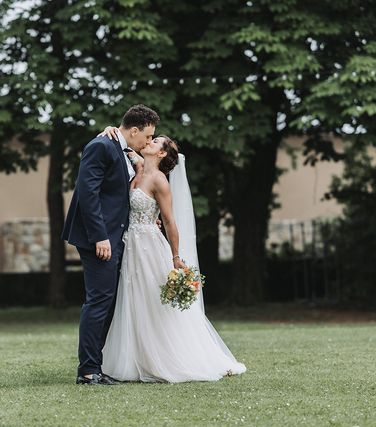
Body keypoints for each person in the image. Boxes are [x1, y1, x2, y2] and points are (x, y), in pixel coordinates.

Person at [98, 128, 247, 383]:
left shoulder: (159, 180)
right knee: (134, 300)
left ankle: (164, 358)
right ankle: (136, 359)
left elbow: (169, 221)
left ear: (163, 152)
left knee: (153, 302)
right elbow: (125, 142)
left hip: (149, 246)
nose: (149, 141)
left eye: (155, 141)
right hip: (131, 244)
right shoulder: (138, 168)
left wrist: (176, 257)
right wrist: (110, 130)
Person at [62, 104, 160, 385]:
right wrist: (100, 236)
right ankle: (88, 370)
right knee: (99, 300)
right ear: (133, 130)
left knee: (107, 300)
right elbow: (87, 192)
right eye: (147, 136)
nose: (148, 142)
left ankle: (96, 365)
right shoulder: (101, 146)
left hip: (115, 235)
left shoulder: (120, 148)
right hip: (100, 239)